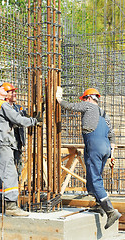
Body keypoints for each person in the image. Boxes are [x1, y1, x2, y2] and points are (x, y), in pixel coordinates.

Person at [56, 87, 121, 229]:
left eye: (84, 98)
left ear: (89, 98)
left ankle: (111, 211)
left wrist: (59, 99)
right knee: (94, 176)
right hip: (105, 147)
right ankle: (99, 204)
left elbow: (70, 106)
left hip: (95, 145)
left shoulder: (88, 105)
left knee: (95, 178)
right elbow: (112, 136)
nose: (83, 100)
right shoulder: (105, 114)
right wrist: (112, 154)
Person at [0, 80, 42, 216]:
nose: (4, 89)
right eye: (0, 88)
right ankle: (11, 206)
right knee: (9, 172)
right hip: (3, 143)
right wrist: (34, 121)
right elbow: (18, 119)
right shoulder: (2, 104)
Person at [2, 82, 27, 176]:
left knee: (17, 168)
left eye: (14, 91)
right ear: (5, 94)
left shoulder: (18, 107)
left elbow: (27, 115)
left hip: (18, 143)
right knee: (7, 169)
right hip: (7, 144)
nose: (15, 94)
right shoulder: (2, 108)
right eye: (11, 92)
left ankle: (16, 187)